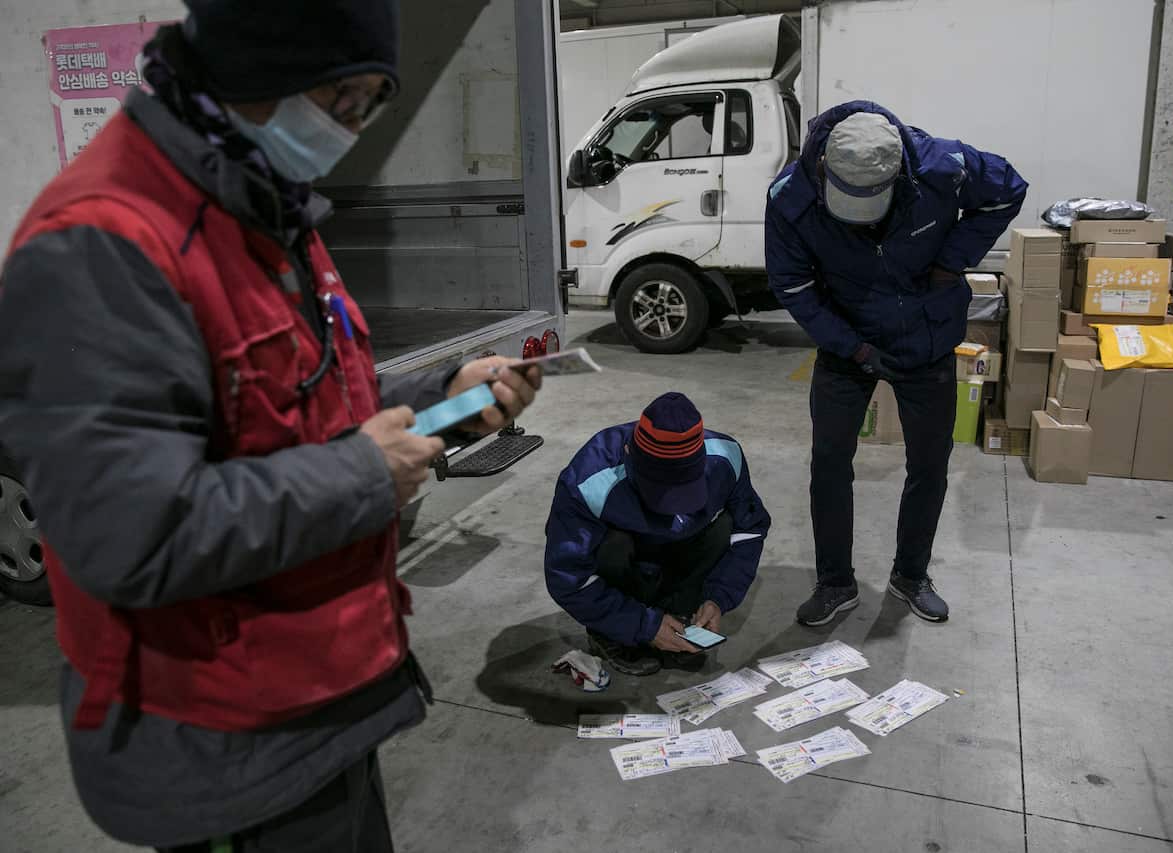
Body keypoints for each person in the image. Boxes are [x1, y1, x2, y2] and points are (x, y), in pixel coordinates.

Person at [0, 3, 541, 851]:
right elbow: (127, 534)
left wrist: (444, 394)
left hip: (322, 701)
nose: (352, 130)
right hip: (222, 746)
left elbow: (304, 400)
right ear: (257, 68)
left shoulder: (259, 207)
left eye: (372, 104)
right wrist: (365, 476)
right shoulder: (101, 248)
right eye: (341, 99)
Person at [765, 101, 1026, 626]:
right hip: (847, 341)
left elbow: (1008, 191)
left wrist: (951, 261)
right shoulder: (790, 197)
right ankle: (835, 583)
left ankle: (911, 575)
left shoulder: (943, 168)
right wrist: (852, 347)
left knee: (929, 466)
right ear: (823, 171)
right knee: (829, 466)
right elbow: (793, 287)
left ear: (899, 174)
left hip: (925, 339)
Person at [544, 393, 771, 676]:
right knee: (609, 545)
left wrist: (718, 597)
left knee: (725, 525)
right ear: (629, 455)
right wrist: (641, 624)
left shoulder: (725, 458)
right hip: (629, 558)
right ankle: (612, 632)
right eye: (661, 491)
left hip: (679, 549)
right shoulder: (589, 479)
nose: (673, 509)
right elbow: (567, 577)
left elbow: (750, 530)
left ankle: (678, 617)